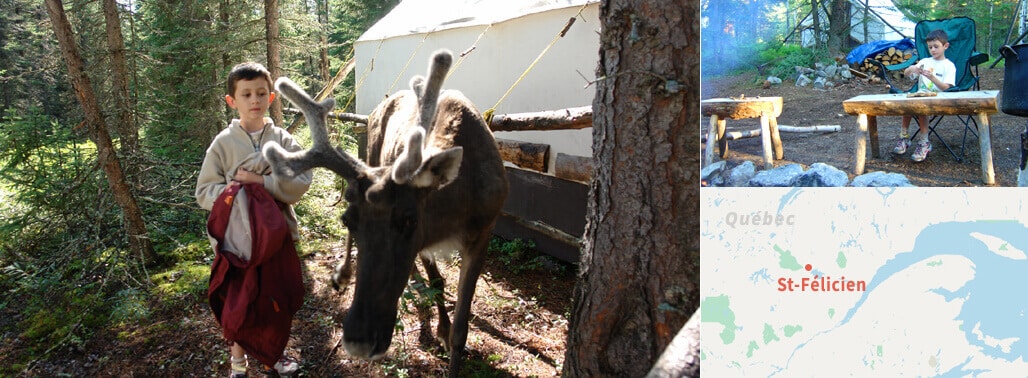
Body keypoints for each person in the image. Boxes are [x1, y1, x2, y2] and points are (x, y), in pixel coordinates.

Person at [195, 62, 312, 377]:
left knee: (275, 300)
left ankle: (275, 355)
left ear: (271, 97)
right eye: (245, 94)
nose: (254, 100)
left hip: (276, 239)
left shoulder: (283, 140)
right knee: (239, 303)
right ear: (232, 101)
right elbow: (204, 191)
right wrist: (238, 190)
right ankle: (237, 363)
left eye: (261, 93)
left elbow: (301, 181)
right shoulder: (222, 144)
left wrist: (264, 184)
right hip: (237, 244)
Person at [893, 29, 956, 162]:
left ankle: (924, 142)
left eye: (936, 47)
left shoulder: (949, 66)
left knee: (922, 106)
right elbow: (906, 75)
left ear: (946, 46)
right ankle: (904, 136)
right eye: (930, 47)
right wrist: (911, 69)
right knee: (907, 103)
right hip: (921, 96)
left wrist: (932, 78)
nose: (933, 50)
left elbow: (946, 88)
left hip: (939, 99)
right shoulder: (925, 61)